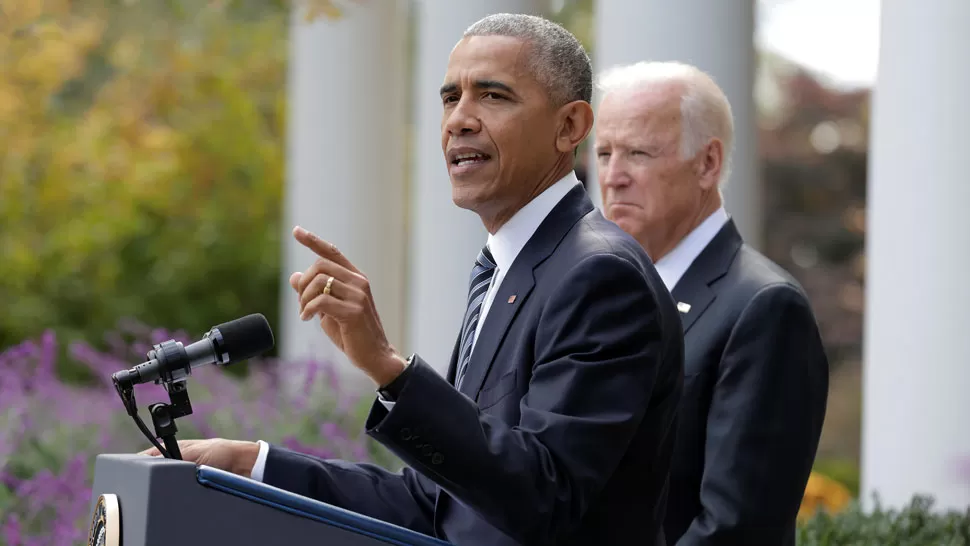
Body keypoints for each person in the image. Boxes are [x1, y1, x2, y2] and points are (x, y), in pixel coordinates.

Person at [143, 15, 684, 546]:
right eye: (451, 98)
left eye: (493, 96)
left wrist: (390, 369)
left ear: (570, 127)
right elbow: (436, 508)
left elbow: (545, 498)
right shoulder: (505, 270)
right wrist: (250, 463)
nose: (459, 120)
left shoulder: (599, 275)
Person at [593, 61, 829, 546]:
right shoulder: (600, 298)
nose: (612, 176)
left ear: (708, 164)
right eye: (603, 152)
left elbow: (737, 529)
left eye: (638, 152)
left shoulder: (763, 308)